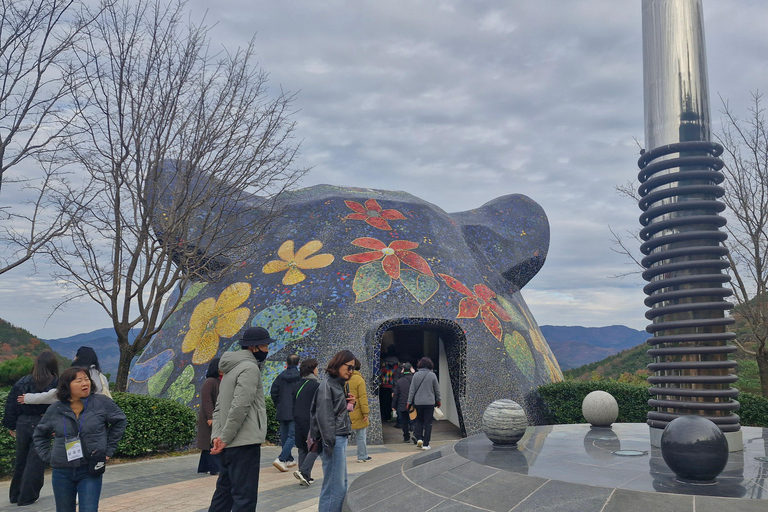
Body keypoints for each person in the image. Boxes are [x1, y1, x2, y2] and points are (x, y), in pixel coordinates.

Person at [33, 367, 126, 512]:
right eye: (79, 380)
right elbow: (40, 434)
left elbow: (120, 421)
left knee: (89, 509)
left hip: (90, 467)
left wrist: (108, 449)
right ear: (67, 385)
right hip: (62, 471)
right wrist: (48, 456)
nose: (85, 383)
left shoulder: (101, 402)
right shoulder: (56, 408)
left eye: (87, 379)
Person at [207, 326, 274, 512]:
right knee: (244, 498)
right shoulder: (250, 368)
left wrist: (218, 437)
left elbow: (219, 406)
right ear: (254, 347)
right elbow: (240, 406)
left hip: (228, 444)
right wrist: (225, 437)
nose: (268, 349)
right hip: (244, 442)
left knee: (223, 494)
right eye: (266, 345)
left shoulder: (229, 370)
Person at [3, 351, 59, 506]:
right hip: (42, 422)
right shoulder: (55, 382)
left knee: (21, 459)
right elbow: (58, 406)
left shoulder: (22, 381)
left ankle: (15, 495)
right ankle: (27, 496)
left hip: (22, 423)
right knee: (36, 460)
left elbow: (11, 404)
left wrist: (10, 424)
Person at [310, 350, 356, 512]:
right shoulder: (327, 386)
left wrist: (350, 404)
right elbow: (324, 418)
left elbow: (336, 412)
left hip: (339, 438)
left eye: (353, 368)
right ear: (338, 364)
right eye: (349, 367)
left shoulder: (338, 385)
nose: (350, 371)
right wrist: (329, 444)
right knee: (334, 488)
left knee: (339, 485)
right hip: (333, 440)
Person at [20, 346, 112, 405]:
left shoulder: (75, 375)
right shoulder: (101, 377)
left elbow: (58, 394)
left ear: (78, 358)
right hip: (98, 419)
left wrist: (29, 398)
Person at [292, 358, 320, 486]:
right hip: (310, 421)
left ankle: (305, 477)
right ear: (312, 370)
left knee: (302, 448)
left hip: (297, 419)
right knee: (315, 446)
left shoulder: (297, 384)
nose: (318, 370)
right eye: (317, 368)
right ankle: (304, 472)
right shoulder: (316, 386)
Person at [270, 353, 300, 472]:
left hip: (282, 409)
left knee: (284, 435)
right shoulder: (300, 377)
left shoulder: (280, 376)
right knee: (292, 435)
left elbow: (274, 392)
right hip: (295, 409)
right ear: (298, 363)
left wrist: (279, 404)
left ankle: (289, 459)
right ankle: (281, 459)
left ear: (286, 364)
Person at [407, 357, 440, 451]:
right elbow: (437, 390)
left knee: (419, 421)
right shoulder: (432, 375)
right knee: (428, 423)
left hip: (418, 402)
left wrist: (409, 402)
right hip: (429, 402)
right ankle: (426, 444)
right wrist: (439, 400)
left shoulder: (416, 375)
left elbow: (412, 390)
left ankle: (420, 438)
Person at [197, 358, 221, 476]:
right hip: (210, 417)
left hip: (214, 416)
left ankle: (204, 467)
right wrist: (211, 417)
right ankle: (214, 468)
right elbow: (206, 401)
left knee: (208, 444)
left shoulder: (219, 381)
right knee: (211, 442)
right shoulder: (210, 382)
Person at [348, 358, 370, 463]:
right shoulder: (359, 379)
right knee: (361, 434)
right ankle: (362, 456)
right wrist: (365, 413)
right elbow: (362, 398)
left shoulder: (345, 378)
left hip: (347, 410)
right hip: (358, 411)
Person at [391, 362, 414, 443]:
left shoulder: (399, 381)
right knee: (414, 419)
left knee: (404, 421)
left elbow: (396, 395)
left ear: (403, 370)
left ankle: (406, 437)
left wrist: (393, 405)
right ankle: (415, 434)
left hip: (402, 404)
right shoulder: (415, 379)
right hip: (413, 404)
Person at [378, 345, 398, 423]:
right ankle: (394, 417)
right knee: (394, 402)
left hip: (384, 385)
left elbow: (379, 373)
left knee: (385, 402)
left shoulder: (383, 363)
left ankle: (386, 417)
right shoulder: (398, 363)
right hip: (394, 385)